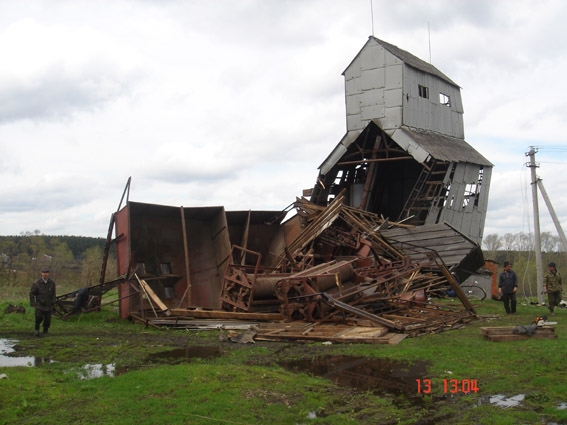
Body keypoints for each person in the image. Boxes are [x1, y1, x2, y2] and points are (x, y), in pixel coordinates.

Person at [29, 267, 56, 337]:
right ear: (41, 273)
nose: (45, 274)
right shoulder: (36, 283)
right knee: (38, 318)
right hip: (39, 305)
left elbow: (54, 293)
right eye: (44, 273)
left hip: (49, 305)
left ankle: (45, 332)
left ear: (48, 274)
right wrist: (32, 303)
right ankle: (36, 330)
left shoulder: (52, 283)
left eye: (46, 273)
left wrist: (53, 301)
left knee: (47, 320)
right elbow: (31, 293)